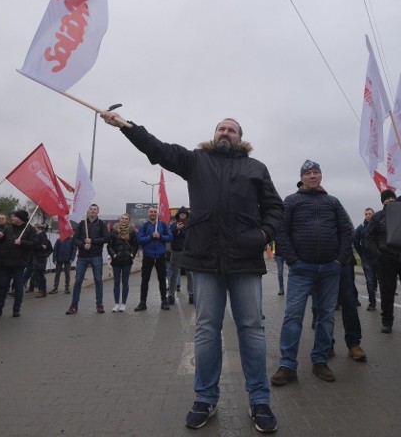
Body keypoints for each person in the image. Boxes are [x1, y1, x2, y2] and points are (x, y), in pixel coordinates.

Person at [101, 112, 282, 433]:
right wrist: (127, 127)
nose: (226, 133)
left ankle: (259, 400)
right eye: (221, 129)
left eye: (232, 130)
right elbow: (159, 150)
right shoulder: (196, 161)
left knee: (252, 328)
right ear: (214, 135)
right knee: (206, 329)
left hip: (245, 259)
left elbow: (275, 208)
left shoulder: (256, 168)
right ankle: (205, 398)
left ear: (241, 138)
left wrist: (264, 235)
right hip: (205, 258)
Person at [271, 160, 356, 386]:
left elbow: (347, 230)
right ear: (302, 178)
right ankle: (288, 365)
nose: (313, 176)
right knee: (293, 316)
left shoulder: (333, 202)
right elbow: (281, 231)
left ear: (321, 176)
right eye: (308, 173)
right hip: (301, 270)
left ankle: (320, 360)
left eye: (316, 172)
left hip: (330, 269)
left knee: (326, 316)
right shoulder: (291, 201)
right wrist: (293, 260)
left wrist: (340, 260)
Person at [367, 189, 401, 334]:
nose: (391, 200)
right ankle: (387, 321)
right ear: (383, 201)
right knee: (387, 292)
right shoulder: (377, 217)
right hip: (385, 259)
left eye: (393, 197)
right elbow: (370, 238)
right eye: (387, 198)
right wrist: (378, 254)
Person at [0, 210, 39, 318]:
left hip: (19, 262)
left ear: (20, 219)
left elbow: (35, 243)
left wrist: (22, 242)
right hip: (5, 261)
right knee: (3, 285)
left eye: (15, 216)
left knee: (18, 286)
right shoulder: (8, 228)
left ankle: (16, 309)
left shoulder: (29, 229)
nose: (12, 218)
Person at [66, 204, 106, 315]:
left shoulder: (101, 224)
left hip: (96, 256)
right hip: (82, 257)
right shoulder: (81, 224)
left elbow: (106, 238)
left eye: (95, 209)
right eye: (91, 209)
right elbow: (74, 240)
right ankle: (74, 305)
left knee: (98, 280)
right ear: (88, 211)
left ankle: (99, 304)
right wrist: (83, 245)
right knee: (78, 280)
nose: (93, 211)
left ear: (98, 212)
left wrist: (92, 241)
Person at [136, 207, 173, 311]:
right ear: (148, 214)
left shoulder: (163, 225)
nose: (153, 213)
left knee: (162, 279)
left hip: (160, 256)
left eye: (154, 212)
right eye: (151, 212)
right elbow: (139, 239)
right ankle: (142, 302)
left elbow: (170, 237)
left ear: (157, 213)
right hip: (148, 256)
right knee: (145, 280)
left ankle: (164, 301)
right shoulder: (144, 226)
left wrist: (160, 236)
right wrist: (151, 237)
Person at [107, 213, 138, 312]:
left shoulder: (132, 232)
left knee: (125, 282)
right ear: (120, 219)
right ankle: (116, 303)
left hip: (127, 260)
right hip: (116, 260)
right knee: (116, 282)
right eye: (122, 218)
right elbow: (109, 246)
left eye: (126, 219)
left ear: (129, 220)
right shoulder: (114, 231)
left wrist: (132, 255)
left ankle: (123, 303)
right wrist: (114, 254)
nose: (124, 220)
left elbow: (136, 245)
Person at [352, 207, 377, 310]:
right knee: (370, 281)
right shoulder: (361, 227)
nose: (367, 215)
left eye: (369, 214)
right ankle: (372, 302)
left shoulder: (378, 225)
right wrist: (361, 253)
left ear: (373, 214)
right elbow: (355, 241)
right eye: (366, 214)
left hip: (379, 258)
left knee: (382, 282)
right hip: (367, 258)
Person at [167, 207, 190, 305]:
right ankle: (171, 295)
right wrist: (176, 229)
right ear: (178, 215)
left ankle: (192, 294)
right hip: (176, 252)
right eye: (181, 214)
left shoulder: (190, 225)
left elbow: (191, 236)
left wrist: (182, 230)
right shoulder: (173, 225)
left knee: (190, 275)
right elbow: (169, 237)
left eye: (184, 214)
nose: (183, 215)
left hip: (187, 252)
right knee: (173, 275)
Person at [49, 230, 77, 294]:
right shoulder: (59, 240)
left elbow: (74, 249)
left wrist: (72, 258)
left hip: (68, 260)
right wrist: (54, 259)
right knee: (57, 274)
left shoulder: (72, 240)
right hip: (59, 260)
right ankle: (55, 288)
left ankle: (67, 288)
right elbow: (55, 250)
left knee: (67, 274)